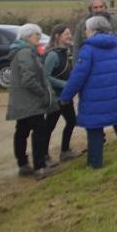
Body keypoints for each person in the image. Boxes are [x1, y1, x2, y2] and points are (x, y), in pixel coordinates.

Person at [58, 16, 117, 168]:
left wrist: (65, 96)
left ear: (93, 30)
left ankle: (95, 163)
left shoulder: (88, 50)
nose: (85, 32)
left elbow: (78, 76)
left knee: (95, 130)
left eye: (87, 29)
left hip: (94, 99)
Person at [74, 0, 117, 138]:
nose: (98, 10)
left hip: (115, 69)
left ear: (106, 7)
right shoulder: (83, 25)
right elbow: (77, 49)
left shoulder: (116, 22)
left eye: (101, 7)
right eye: (95, 7)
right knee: (94, 109)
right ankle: (98, 139)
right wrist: (78, 71)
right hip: (92, 74)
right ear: (90, 9)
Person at [6, 23, 58, 179]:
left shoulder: (21, 52)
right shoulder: (25, 53)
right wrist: (42, 93)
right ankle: (40, 166)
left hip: (21, 100)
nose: (39, 37)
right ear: (28, 36)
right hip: (30, 101)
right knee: (39, 130)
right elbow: (29, 79)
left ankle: (23, 164)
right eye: (37, 34)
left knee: (22, 130)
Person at [42, 24, 81, 162]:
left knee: (71, 121)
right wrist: (66, 85)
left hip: (65, 96)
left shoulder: (66, 52)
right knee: (49, 126)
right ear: (57, 36)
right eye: (66, 34)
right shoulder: (53, 55)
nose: (70, 36)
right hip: (55, 97)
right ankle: (44, 155)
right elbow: (46, 76)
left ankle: (65, 151)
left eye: (70, 33)